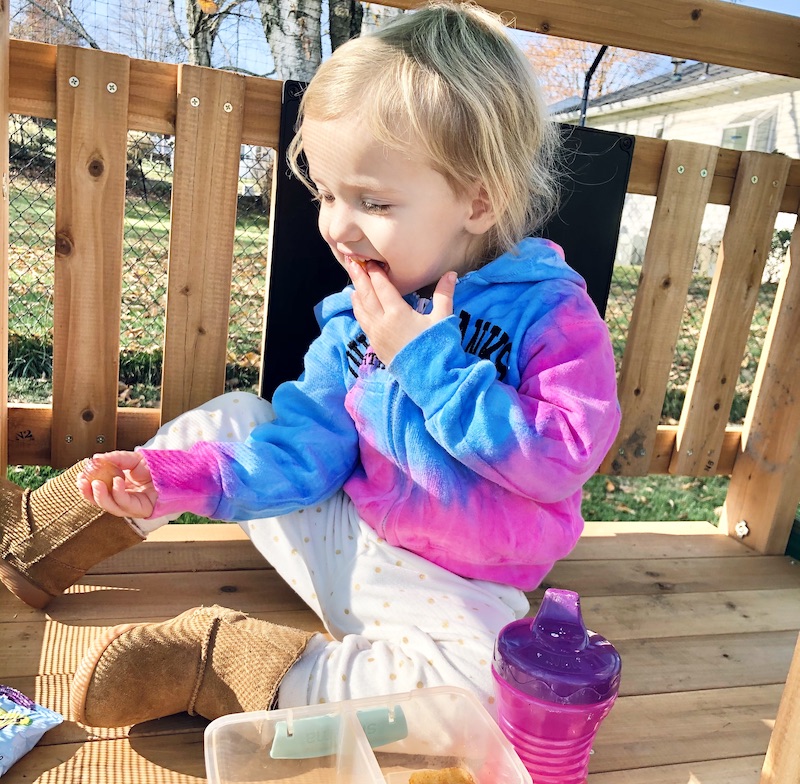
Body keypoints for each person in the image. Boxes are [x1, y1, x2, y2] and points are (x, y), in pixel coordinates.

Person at [0, 1, 620, 729]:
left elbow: (559, 460)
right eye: (327, 194)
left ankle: (222, 664)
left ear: (478, 200)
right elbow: (306, 448)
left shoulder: (550, 316)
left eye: (372, 200)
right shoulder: (354, 314)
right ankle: (40, 535)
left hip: (455, 589)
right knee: (240, 416)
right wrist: (179, 481)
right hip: (340, 532)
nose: (336, 225)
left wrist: (426, 360)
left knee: (486, 700)